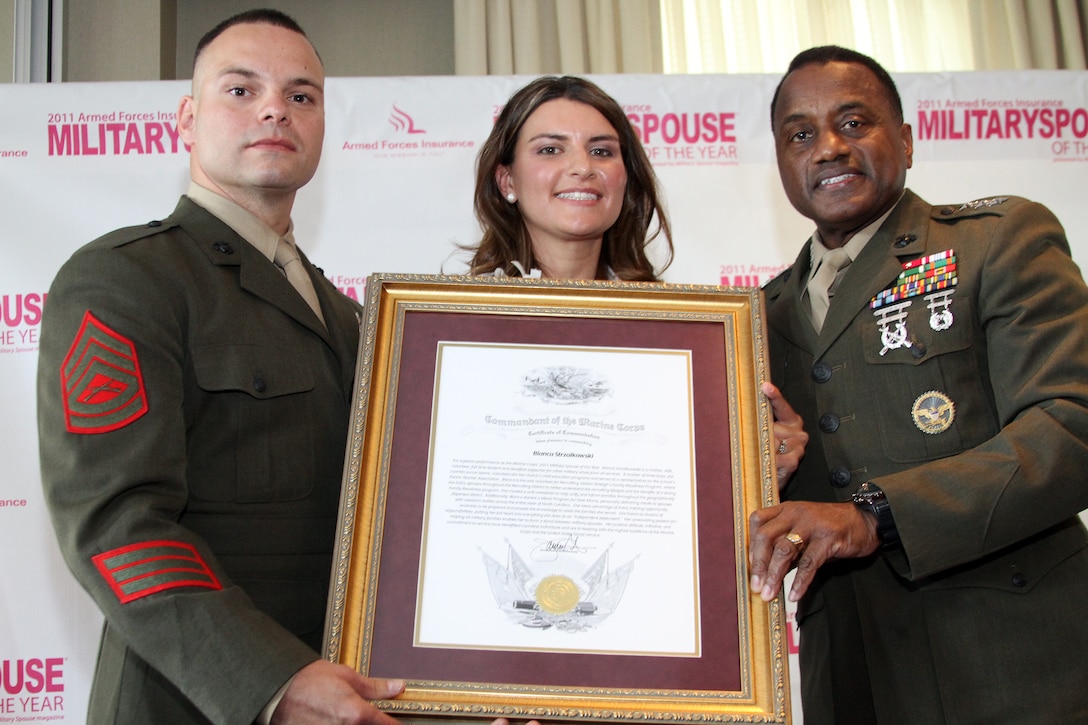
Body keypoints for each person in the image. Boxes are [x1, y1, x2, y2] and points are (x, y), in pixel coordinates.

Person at [35, 10, 528, 725]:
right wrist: (273, 679)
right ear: (186, 118)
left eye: (302, 96)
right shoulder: (125, 280)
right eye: (241, 89)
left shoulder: (352, 315)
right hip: (193, 702)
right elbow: (115, 522)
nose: (275, 107)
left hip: (351, 695)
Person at [750, 45, 1088, 723]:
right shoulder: (756, 317)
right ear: (783, 162)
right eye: (801, 134)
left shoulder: (996, 241)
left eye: (854, 122)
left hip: (1010, 664)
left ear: (904, 138)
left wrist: (876, 516)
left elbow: (1069, 428)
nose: (829, 149)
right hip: (851, 678)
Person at [468, 74, 807, 472]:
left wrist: (760, 472)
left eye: (601, 151)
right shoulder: (456, 330)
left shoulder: (685, 335)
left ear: (625, 179)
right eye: (550, 149)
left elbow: (697, 484)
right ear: (507, 179)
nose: (582, 167)